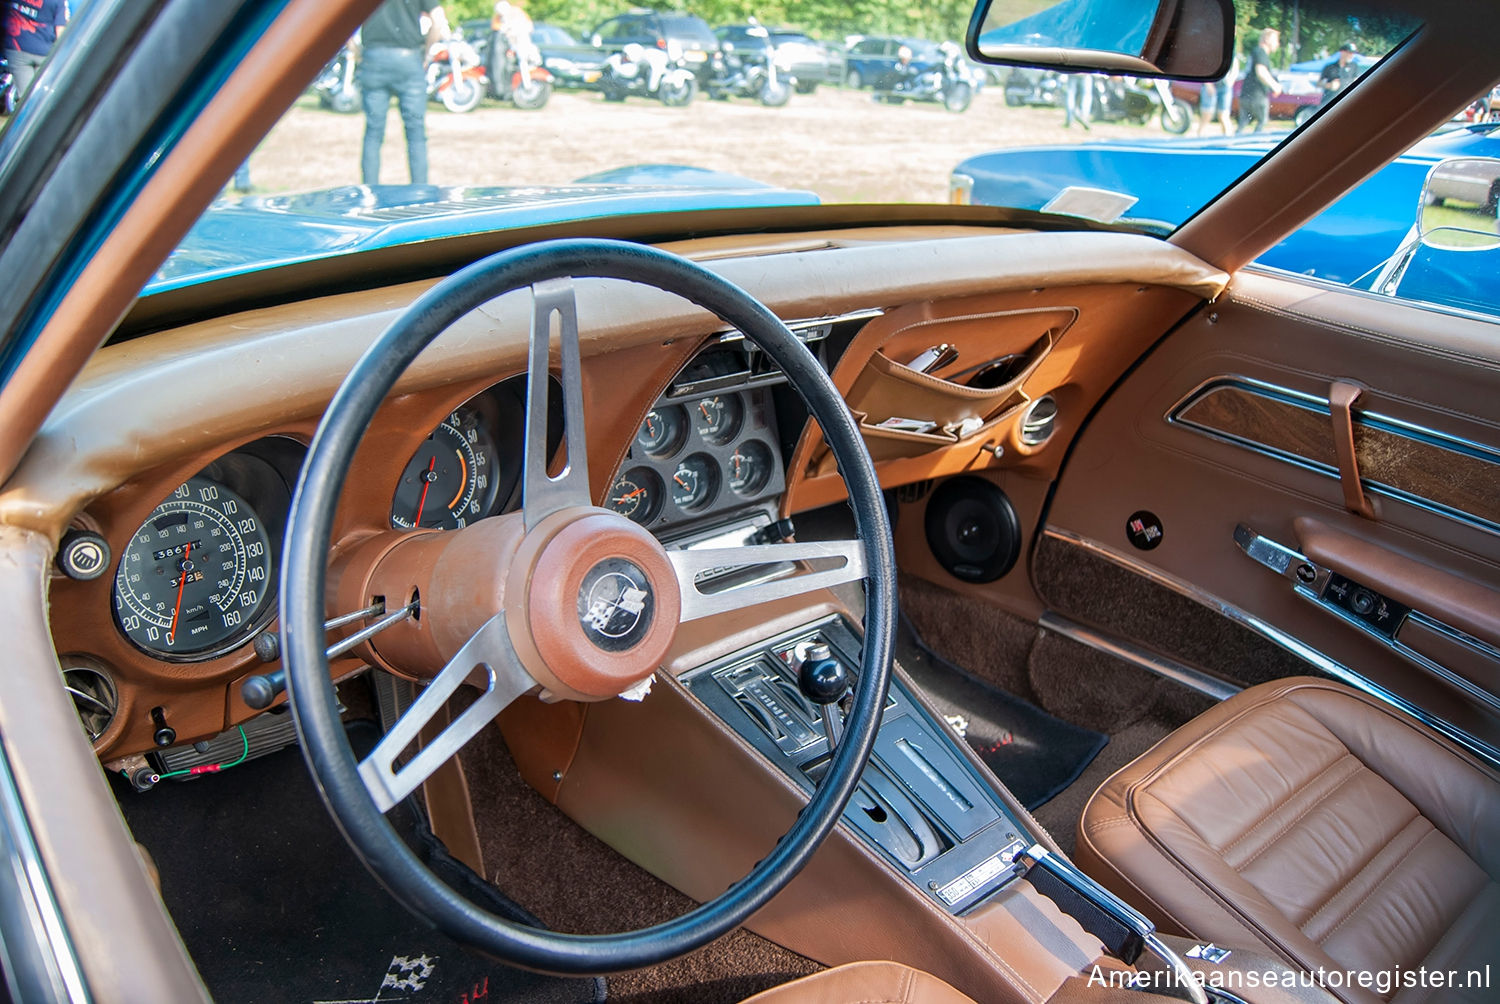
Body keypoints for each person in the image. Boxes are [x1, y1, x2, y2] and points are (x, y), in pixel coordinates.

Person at [359, 0, 448, 186]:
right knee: (416, 133)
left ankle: (369, 193)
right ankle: (420, 193)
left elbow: (341, 22)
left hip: (373, 59)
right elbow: (438, 20)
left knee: (373, 133)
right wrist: (427, 52)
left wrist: (356, 50)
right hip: (408, 60)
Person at [2, 0, 68, 107]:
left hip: (17, 49)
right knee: (43, 97)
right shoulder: (58, 1)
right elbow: (59, 31)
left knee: (26, 99)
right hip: (44, 53)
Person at [1237, 28, 1281, 133]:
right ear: (1267, 39)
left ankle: (1234, 142)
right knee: (1262, 121)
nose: (1277, 44)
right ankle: (1254, 142)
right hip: (1257, 95)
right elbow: (1261, 72)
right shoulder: (1261, 52)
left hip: (1245, 94)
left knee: (1243, 122)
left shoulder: (1255, 51)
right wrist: (1275, 86)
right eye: (1275, 40)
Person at [1197, 50, 1237, 135]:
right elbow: (1203, 63)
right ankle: (1199, 141)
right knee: (1207, 115)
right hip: (1210, 83)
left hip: (1225, 84)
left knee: (1224, 115)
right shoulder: (1211, 44)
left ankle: (1228, 142)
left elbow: (1235, 65)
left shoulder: (1232, 47)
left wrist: (1230, 82)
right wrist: (1208, 84)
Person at [1318, 41, 1360, 105]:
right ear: (1342, 52)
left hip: (1347, 101)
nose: (1352, 55)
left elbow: (1357, 81)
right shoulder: (1329, 67)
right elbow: (1319, 84)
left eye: (1353, 53)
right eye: (1350, 53)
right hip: (1328, 101)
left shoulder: (1354, 66)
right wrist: (1329, 85)